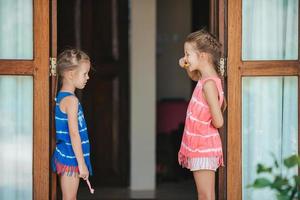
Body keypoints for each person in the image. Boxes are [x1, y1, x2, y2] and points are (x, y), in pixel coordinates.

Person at [178, 29, 226, 200]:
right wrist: (185, 62)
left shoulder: (209, 85)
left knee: (205, 196)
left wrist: (207, 119)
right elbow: (192, 74)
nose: (185, 58)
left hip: (203, 147)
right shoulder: (204, 80)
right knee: (206, 195)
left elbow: (218, 122)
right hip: (201, 147)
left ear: (203, 56)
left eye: (188, 54)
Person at [51, 49, 93, 199]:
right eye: (84, 74)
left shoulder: (63, 97)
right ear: (70, 74)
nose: (87, 77)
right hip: (70, 158)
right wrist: (81, 164)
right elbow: (74, 134)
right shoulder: (71, 101)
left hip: (70, 155)